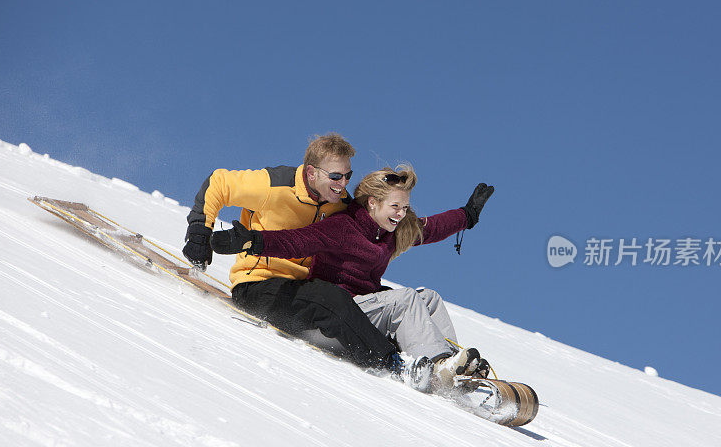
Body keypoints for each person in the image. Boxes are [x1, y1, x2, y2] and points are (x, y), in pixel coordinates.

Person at [209, 165, 495, 391]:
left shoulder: (391, 233)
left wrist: (466, 216)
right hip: (336, 317)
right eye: (395, 206)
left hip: (366, 308)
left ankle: (456, 365)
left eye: (405, 207)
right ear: (372, 202)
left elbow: (429, 228)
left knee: (429, 298)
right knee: (406, 299)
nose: (401, 214)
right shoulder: (343, 226)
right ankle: (437, 365)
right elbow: (297, 241)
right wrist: (252, 241)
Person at [181, 133, 400, 369]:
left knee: (382, 296)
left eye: (348, 176)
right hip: (258, 287)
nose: (343, 184)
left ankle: (410, 348)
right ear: (311, 173)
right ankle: (387, 362)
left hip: (305, 289)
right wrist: (199, 233)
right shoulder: (274, 185)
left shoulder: (341, 203)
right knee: (330, 299)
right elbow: (219, 183)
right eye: (336, 176)